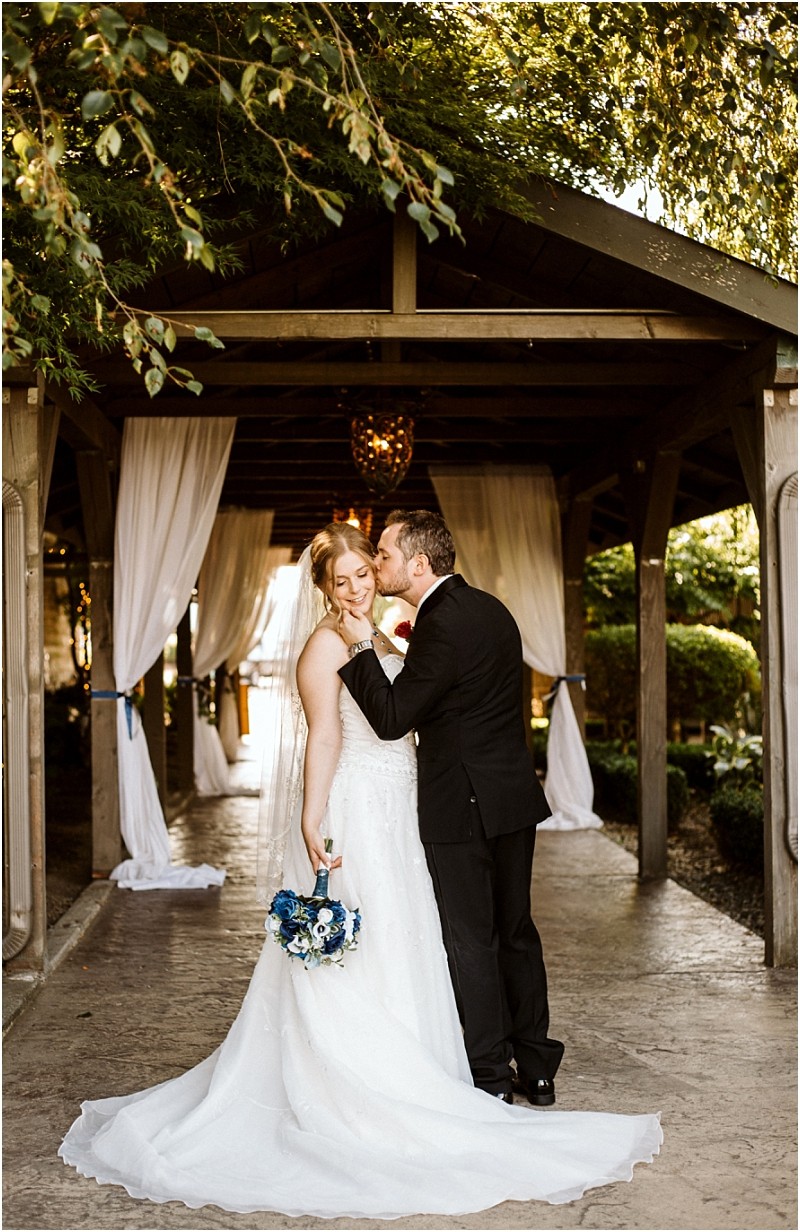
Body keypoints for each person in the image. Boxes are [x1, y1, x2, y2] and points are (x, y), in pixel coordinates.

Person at [58, 523, 661, 1219]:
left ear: (402, 568)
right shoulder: (367, 639)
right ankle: (462, 1074)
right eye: (342, 578)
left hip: (417, 808)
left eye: (369, 569)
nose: (360, 581)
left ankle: (471, 1071)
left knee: (444, 938)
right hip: (384, 809)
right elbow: (332, 735)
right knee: (455, 936)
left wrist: (371, 644)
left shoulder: (398, 636)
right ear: (321, 588)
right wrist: (312, 818)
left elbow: (411, 710)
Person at [338, 509, 561, 1104]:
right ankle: (537, 1070)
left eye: (382, 555)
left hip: (461, 806)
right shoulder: (492, 610)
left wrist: (360, 644)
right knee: (516, 931)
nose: (375, 564)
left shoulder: (439, 624)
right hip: (512, 798)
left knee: (471, 940)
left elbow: (390, 718)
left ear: (417, 563)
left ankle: (488, 1076)